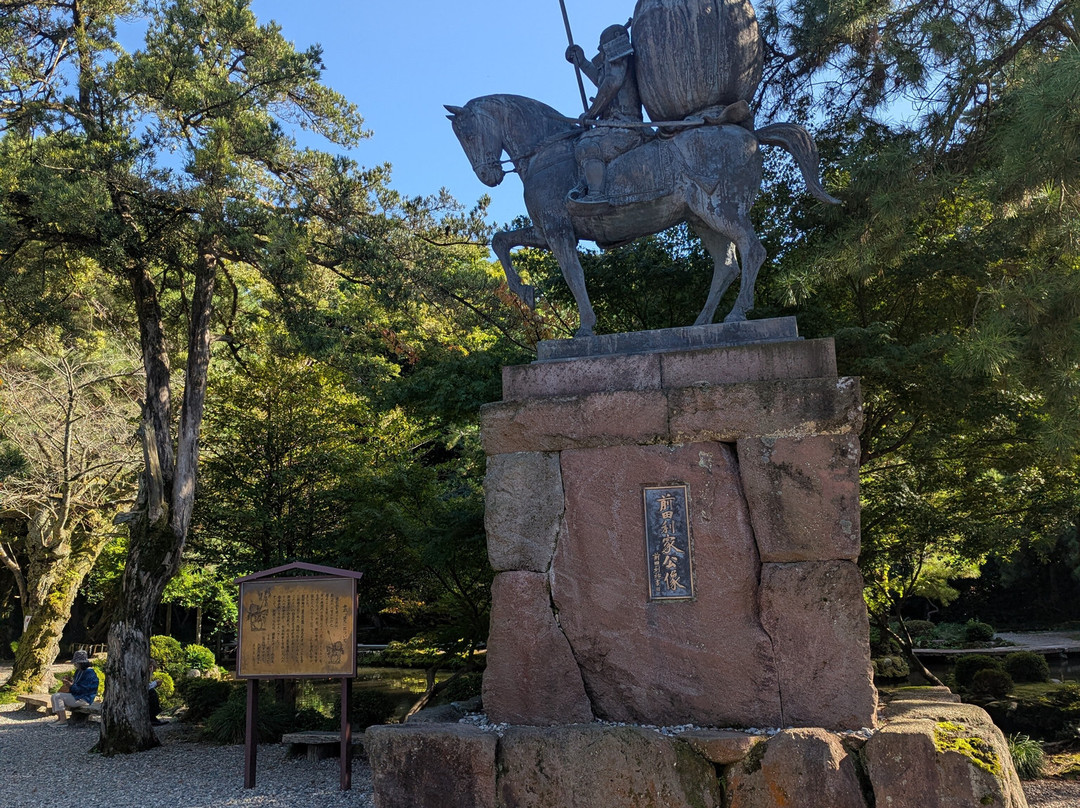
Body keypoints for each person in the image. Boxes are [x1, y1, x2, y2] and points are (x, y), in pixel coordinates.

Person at [564, 22, 646, 204]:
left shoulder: (621, 57)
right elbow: (602, 81)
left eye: (603, 49)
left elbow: (611, 84)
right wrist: (582, 62)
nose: (602, 53)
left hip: (625, 125)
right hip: (611, 125)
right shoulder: (614, 63)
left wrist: (591, 113)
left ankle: (596, 195)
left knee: (588, 147)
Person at [50, 649, 99, 726]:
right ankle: (59, 718)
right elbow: (77, 685)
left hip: (84, 698)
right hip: (77, 695)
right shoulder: (79, 671)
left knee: (58, 697)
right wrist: (69, 682)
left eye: (76, 663)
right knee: (54, 696)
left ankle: (63, 720)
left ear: (81, 663)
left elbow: (83, 690)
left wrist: (71, 685)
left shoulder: (90, 674)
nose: (75, 665)